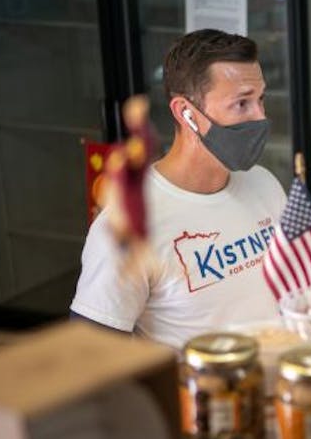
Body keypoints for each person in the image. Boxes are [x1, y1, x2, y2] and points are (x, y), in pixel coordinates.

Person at [71, 29, 285, 347]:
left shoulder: (264, 184)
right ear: (185, 112)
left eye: (260, 99)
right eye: (242, 103)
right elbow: (92, 358)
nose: (261, 117)